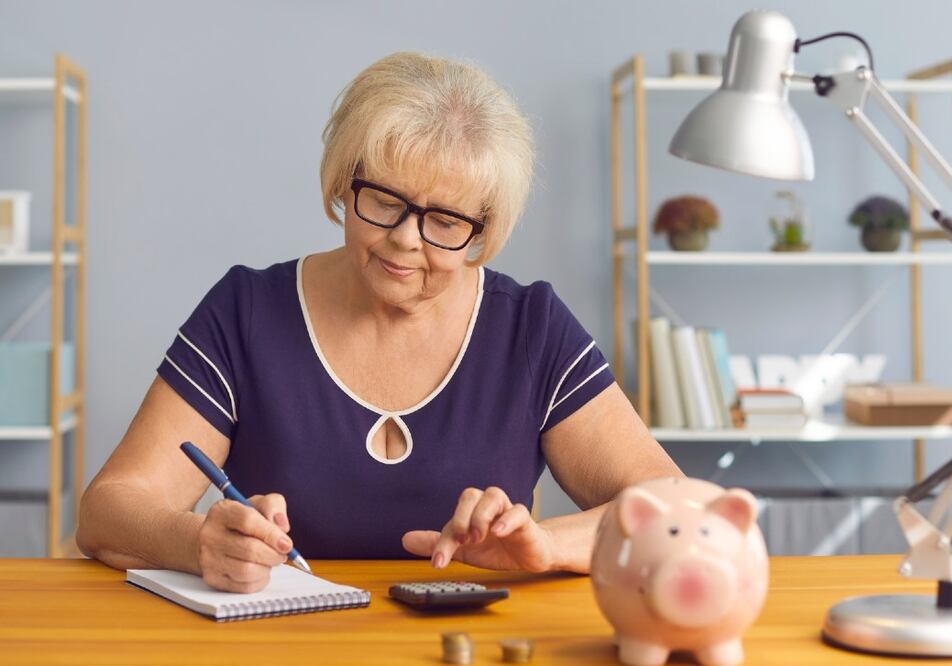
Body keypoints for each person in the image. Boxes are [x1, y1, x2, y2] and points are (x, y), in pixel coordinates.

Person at [76, 52, 682, 593]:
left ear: (484, 228)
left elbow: (675, 506)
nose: (404, 241)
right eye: (385, 202)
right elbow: (107, 511)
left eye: (445, 221)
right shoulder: (247, 311)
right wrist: (197, 542)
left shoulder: (531, 328)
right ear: (343, 181)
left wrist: (546, 546)